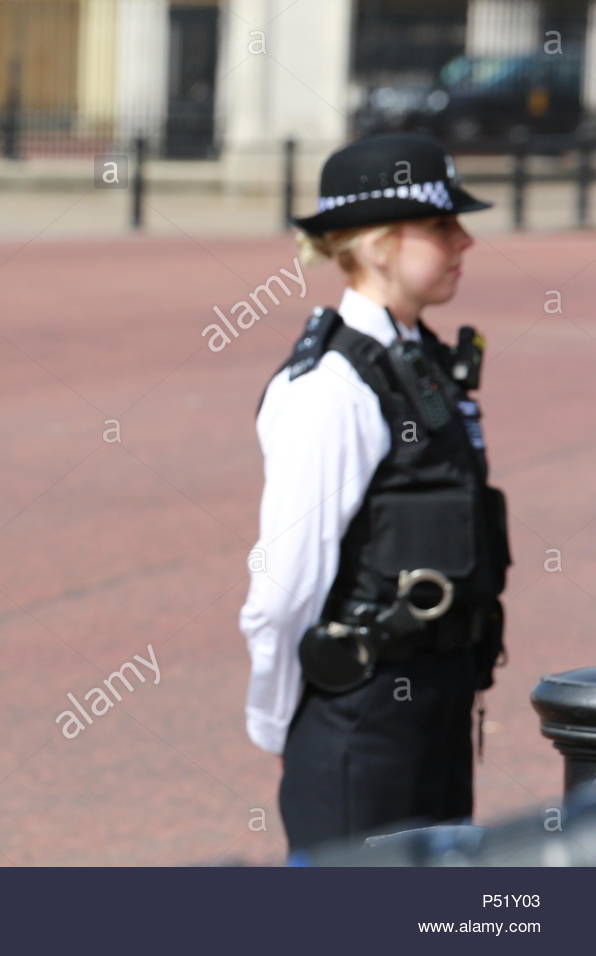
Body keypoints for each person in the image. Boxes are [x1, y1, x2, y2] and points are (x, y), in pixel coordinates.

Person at [238, 132, 512, 854]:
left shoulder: (418, 362)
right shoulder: (330, 387)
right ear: (380, 243)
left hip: (438, 713)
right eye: (442, 225)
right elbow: (284, 583)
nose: (465, 241)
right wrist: (275, 721)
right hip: (360, 722)